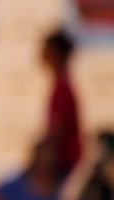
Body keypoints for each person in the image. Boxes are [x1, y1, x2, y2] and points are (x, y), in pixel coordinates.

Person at [41, 28, 82, 174]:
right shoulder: (62, 83)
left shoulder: (62, 87)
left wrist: (44, 156)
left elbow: (57, 131)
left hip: (64, 163)